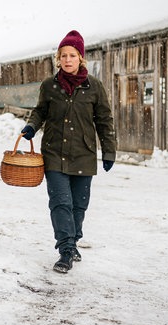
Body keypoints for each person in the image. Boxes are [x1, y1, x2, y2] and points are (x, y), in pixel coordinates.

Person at [21, 30, 117, 273]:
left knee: (78, 205)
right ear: (58, 59)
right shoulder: (49, 85)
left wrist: (109, 151)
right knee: (60, 203)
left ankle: (73, 241)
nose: (67, 59)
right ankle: (65, 251)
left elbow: (104, 120)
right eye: (63, 55)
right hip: (54, 152)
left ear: (80, 58)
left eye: (72, 55)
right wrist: (32, 126)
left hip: (83, 153)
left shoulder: (94, 87)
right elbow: (40, 111)